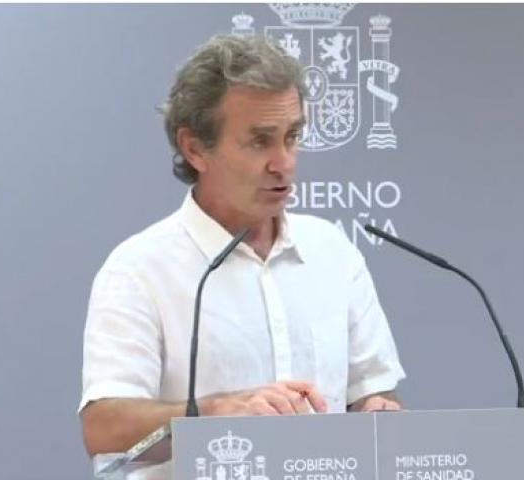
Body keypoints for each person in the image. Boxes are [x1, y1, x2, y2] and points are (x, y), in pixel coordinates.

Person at [79, 34, 405, 478]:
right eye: (260, 141)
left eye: (292, 137)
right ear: (195, 148)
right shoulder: (139, 269)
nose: (283, 163)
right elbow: (104, 427)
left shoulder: (333, 252)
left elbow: (371, 392)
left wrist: (378, 411)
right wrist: (215, 412)